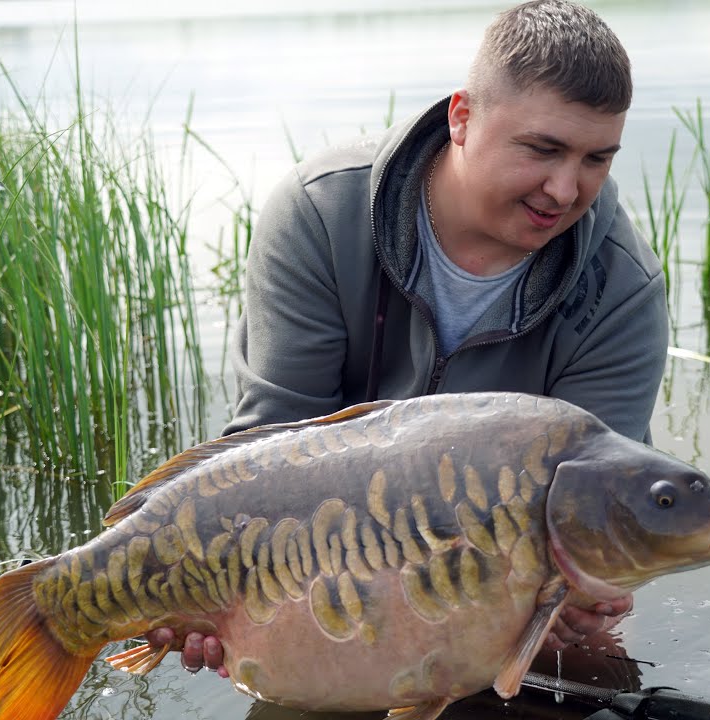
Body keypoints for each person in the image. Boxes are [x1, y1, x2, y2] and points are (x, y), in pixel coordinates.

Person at [149, 0, 668, 678]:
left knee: (586, 650)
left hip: (491, 569)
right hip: (332, 551)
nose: (567, 189)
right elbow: (270, 449)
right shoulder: (319, 213)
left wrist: (587, 594)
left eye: (596, 158)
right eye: (542, 149)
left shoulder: (621, 287)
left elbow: (606, 496)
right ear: (462, 117)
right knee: (267, 641)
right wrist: (222, 593)